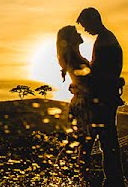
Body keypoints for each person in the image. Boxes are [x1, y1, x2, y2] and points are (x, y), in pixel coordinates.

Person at [77, 7, 126, 187]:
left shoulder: (105, 41)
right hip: (106, 97)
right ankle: (113, 180)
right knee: (107, 141)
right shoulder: (106, 39)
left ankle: (109, 180)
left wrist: (81, 67)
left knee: (97, 141)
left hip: (103, 100)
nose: (85, 30)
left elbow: (99, 73)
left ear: (94, 20)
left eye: (86, 25)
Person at [56, 24, 93, 167]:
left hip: (81, 104)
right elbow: (88, 84)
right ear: (70, 40)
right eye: (75, 33)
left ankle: (64, 172)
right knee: (82, 146)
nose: (80, 35)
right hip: (83, 106)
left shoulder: (75, 58)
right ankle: (61, 171)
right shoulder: (75, 60)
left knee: (80, 145)